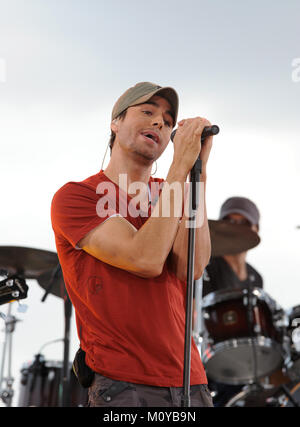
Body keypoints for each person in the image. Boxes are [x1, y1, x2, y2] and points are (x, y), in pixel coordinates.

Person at [51, 81, 215, 407]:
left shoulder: (172, 189)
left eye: (168, 122)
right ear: (115, 123)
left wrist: (199, 175)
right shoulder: (77, 196)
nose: (160, 123)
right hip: (124, 383)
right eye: (147, 111)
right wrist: (179, 168)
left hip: (189, 377)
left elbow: (191, 266)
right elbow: (145, 259)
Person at [202, 196, 263, 406]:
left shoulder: (257, 277)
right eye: (230, 221)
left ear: (256, 229)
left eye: (244, 222)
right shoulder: (206, 268)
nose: (237, 227)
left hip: (251, 362)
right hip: (214, 361)